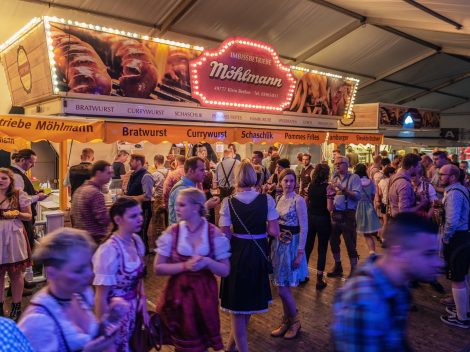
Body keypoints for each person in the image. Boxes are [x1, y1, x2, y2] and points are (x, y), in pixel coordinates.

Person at [332, 213, 443, 351]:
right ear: (399, 252)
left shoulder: (397, 279)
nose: (439, 263)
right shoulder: (366, 303)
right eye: (428, 254)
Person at [19, 228, 120, 352]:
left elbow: (91, 334)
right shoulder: (38, 322)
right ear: (51, 273)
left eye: (89, 265)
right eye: (78, 270)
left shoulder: (79, 294)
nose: (89, 273)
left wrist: (110, 319)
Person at [155, 188, 230, 351]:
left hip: (204, 297)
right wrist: (185, 266)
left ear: (196, 207)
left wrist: (207, 262)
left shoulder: (213, 233)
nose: (176, 209)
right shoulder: (173, 232)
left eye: (182, 205)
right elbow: (158, 268)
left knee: (199, 346)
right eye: (177, 205)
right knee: (180, 345)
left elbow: (225, 270)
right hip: (177, 296)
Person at [219, 161, 279, 352]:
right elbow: (273, 230)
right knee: (248, 303)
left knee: (238, 305)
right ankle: (234, 348)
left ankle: (234, 348)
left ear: (237, 178)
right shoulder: (267, 200)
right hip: (259, 250)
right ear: (255, 177)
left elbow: (225, 234)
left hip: (237, 251)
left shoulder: (228, 202)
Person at [93, 197, 146, 351]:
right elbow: (101, 296)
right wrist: (104, 331)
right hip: (114, 315)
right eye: (133, 216)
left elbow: (139, 276)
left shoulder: (136, 241)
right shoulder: (109, 250)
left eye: (140, 214)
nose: (140, 219)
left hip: (133, 310)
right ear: (118, 219)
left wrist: (142, 299)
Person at [270, 169, 308, 339]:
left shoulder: (298, 200)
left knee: (284, 288)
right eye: (285, 180)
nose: (288, 184)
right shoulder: (278, 199)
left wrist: (300, 252)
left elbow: (304, 227)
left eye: (291, 181)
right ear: (280, 182)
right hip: (279, 244)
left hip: (292, 245)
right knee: (280, 286)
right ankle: (287, 320)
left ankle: (295, 321)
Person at [438, 164, 470, 328]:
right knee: (463, 277)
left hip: (457, 238)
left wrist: (446, 237)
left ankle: (462, 318)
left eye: (442, 174)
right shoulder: (460, 190)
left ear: (452, 177)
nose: (439, 176)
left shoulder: (453, 194)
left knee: (457, 278)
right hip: (464, 237)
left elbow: (452, 220)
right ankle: (464, 310)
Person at [0, 168, 32, 320]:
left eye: (4, 178)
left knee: (15, 273)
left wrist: (18, 213)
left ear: (10, 180)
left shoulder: (19, 195)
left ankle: (16, 307)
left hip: (14, 236)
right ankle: (0, 307)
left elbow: (28, 216)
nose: (1, 181)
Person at [327, 156, 362, 278]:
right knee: (333, 242)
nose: (337, 165)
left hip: (348, 215)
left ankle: (354, 269)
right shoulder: (334, 178)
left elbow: (357, 196)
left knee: (350, 244)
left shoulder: (354, 177)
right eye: (335, 163)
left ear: (347, 165)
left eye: (340, 163)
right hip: (335, 215)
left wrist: (343, 189)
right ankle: (338, 266)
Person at [9, 149, 48, 251]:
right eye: (31, 162)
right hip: (21, 219)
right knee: (25, 248)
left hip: (21, 217)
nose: (33, 165)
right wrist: (37, 197)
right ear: (22, 160)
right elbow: (19, 199)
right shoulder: (16, 175)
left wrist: (34, 192)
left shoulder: (18, 173)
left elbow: (22, 193)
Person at [168, 157, 220, 225]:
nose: (205, 173)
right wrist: (206, 206)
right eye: (201, 170)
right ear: (191, 171)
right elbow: (184, 222)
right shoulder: (181, 190)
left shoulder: (190, 186)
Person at [70, 161, 113, 243]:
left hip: (81, 240)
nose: (111, 176)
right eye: (108, 173)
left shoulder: (79, 190)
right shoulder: (95, 193)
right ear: (98, 173)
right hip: (94, 240)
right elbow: (104, 220)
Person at [306, 164, 331, 290]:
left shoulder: (311, 186)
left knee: (308, 246)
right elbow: (329, 208)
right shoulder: (328, 187)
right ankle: (319, 279)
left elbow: (308, 201)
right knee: (322, 248)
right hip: (323, 219)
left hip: (310, 218)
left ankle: (303, 275)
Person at [125, 154, 154, 253]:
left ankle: (144, 258)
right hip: (134, 209)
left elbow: (147, 196)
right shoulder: (133, 174)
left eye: (131, 161)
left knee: (141, 234)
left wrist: (129, 198)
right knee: (136, 234)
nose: (129, 162)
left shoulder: (146, 176)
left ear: (138, 162)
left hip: (143, 210)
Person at [388, 153, 428, 218]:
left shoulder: (394, 177)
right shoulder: (404, 184)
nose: (419, 169)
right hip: (402, 223)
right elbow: (404, 211)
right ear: (412, 167)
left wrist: (416, 195)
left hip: (394, 220)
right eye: (418, 166)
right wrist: (421, 204)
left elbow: (395, 197)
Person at [354, 164, 382, 255]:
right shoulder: (371, 182)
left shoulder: (355, 182)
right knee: (367, 234)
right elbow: (373, 195)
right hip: (368, 207)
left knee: (352, 232)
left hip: (356, 207)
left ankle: (353, 254)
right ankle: (372, 252)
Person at [149, 154, 169, 247]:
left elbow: (151, 189)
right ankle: (169, 240)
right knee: (169, 220)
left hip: (158, 199)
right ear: (163, 161)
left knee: (158, 222)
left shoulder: (154, 174)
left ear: (155, 162)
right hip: (168, 198)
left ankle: (160, 243)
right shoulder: (170, 172)